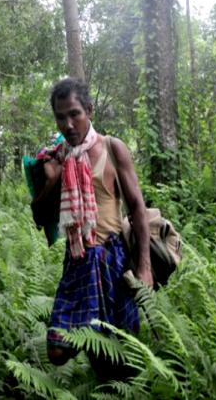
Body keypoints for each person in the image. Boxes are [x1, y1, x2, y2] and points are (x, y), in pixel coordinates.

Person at [39, 77, 153, 372]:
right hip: (77, 261)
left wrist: (144, 267)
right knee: (57, 350)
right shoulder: (55, 156)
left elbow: (138, 209)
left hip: (112, 258)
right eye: (60, 117)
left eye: (74, 113)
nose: (68, 124)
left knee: (122, 348)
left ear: (89, 110)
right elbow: (39, 216)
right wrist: (54, 179)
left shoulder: (113, 149)